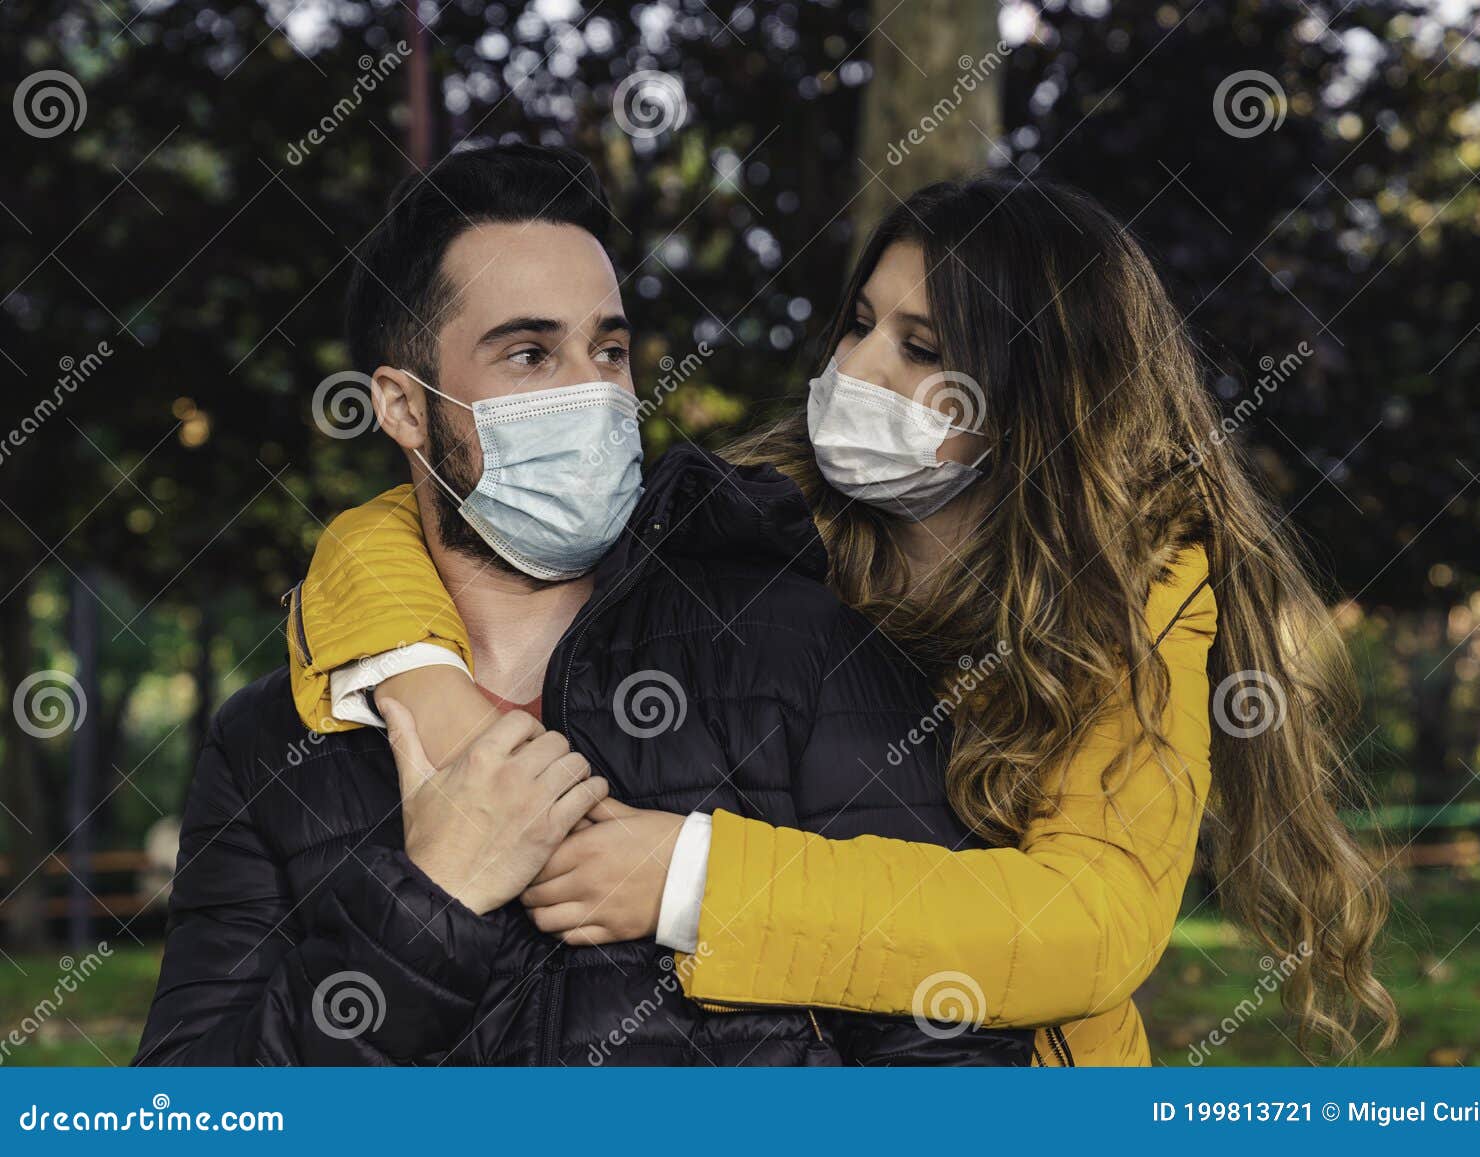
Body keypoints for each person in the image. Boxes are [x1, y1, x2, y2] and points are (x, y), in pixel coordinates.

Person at [283, 172, 1398, 1066]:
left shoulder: (1140, 587)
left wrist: (695, 880)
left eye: (920, 348)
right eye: (859, 322)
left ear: (1037, 390)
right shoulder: (766, 508)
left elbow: (1091, 922)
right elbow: (392, 525)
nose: (853, 368)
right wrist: (429, 685)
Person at [133, 143, 1032, 1066]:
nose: (593, 391)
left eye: (607, 348)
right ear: (404, 409)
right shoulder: (270, 747)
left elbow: (953, 1055)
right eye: (529, 353)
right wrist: (428, 900)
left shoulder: (791, 647)